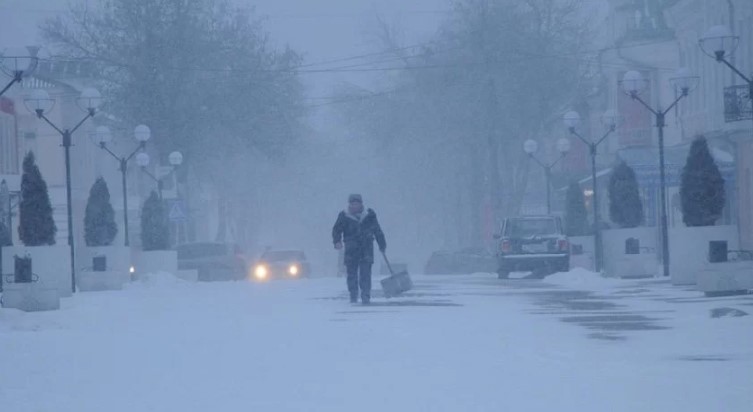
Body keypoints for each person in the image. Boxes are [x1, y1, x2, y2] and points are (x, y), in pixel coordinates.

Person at [332, 194, 386, 304]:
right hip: (351, 250)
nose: (355, 206)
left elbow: (377, 230)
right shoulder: (344, 216)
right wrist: (337, 241)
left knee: (365, 274)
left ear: (361, 204)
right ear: (349, 205)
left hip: (366, 249)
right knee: (351, 274)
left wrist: (382, 244)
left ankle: (365, 295)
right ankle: (353, 295)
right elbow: (336, 230)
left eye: (357, 203)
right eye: (353, 204)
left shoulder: (369, 215)